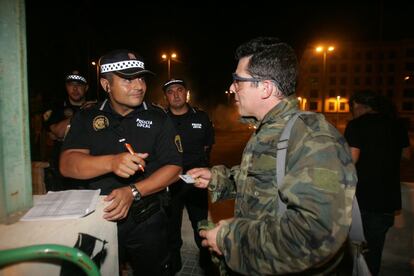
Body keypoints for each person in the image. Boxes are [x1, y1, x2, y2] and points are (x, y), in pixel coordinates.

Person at [187, 37, 357, 275]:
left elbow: (315, 235)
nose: (233, 87)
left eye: (238, 80)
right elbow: (266, 177)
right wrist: (218, 178)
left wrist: (229, 238)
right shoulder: (270, 129)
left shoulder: (312, 138)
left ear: (265, 87)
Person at [59, 49, 182, 276]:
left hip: (147, 217)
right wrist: (111, 162)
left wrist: (133, 191)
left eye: (141, 78)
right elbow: (67, 164)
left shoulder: (158, 117)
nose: (138, 86)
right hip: (97, 217)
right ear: (106, 84)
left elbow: (174, 168)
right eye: (127, 79)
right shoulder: (87, 117)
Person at [344, 91, 411, 276]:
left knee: (353, 253)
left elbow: (352, 159)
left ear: (359, 105)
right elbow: (406, 155)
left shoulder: (356, 125)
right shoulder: (397, 125)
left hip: (361, 199)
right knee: (374, 252)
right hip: (387, 200)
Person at [162, 78, 215, 274]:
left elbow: (207, 146)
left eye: (179, 90)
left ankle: (205, 259)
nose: (175, 94)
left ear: (186, 93)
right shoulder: (161, 119)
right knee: (171, 224)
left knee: (200, 222)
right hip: (171, 180)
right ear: (166, 97)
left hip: (196, 181)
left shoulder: (201, 117)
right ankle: (173, 261)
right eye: (170, 91)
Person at [43, 70, 94, 190]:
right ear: (66, 87)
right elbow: (58, 132)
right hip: (62, 168)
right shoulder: (57, 108)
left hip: (88, 165)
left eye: (79, 85)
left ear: (86, 88)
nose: (75, 89)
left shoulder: (95, 107)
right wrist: (80, 113)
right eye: (71, 85)